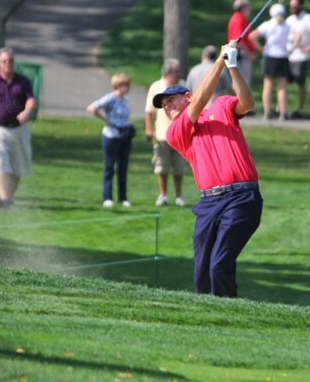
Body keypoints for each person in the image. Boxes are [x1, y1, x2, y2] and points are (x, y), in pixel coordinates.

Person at [152, 42, 262, 298]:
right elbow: (201, 99)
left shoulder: (222, 106)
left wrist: (232, 66)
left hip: (241, 197)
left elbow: (247, 103)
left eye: (171, 100)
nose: (167, 107)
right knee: (202, 273)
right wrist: (220, 60)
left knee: (218, 266)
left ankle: (228, 312)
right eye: (164, 105)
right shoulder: (176, 132)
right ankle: (205, 313)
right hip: (209, 204)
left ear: (187, 97)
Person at [0, 48, 36, 208]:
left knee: (18, 168)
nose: (8, 63)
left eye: (10, 61)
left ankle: (7, 197)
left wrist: (26, 111)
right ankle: (4, 200)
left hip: (19, 129)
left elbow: (31, 99)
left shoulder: (23, 81)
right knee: (1, 162)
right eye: (4, 61)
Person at [144, 59, 187, 207]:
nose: (178, 74)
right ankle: (163, 195)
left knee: (179, 167)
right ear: (168, 72)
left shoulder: (182, 85)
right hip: (162, 135)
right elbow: (149, 111)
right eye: (176, 71)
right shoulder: (156, 86)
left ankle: (179, 196)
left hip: (180, 135)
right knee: (162, 166)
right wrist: (149, 129)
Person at [87, 73, 134, 208]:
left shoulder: (125, 100)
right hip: (111, 136)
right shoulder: (110, 98)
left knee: (123, 168)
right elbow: (92, 108)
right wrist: (106, 120)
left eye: (128, 84)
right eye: (125, 84)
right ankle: (107, 197)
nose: (128, 87)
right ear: (117, 86)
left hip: (124, 137)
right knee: (109, 167)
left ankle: (122, 197)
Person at [249, 3, 291, 121]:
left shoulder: (267, 24)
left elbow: (252, 36)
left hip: (270, 56)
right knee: (282, 87)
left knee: (267, 85)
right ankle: (283, 112)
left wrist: (260, 48)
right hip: (282, 56)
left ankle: (267, 112)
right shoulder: (287, 25)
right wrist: (291, 48)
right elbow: (296, 35)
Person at [227, 0, 258, 90]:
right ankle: (240, 99)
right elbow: (238, 41)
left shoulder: (239, 18)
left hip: (240, 53)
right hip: (241, 54)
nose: (249, 10)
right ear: (244, 8)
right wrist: (249, 53)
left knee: (240, 82)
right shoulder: (238, 20)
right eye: (248, 7)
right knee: (242, 82)